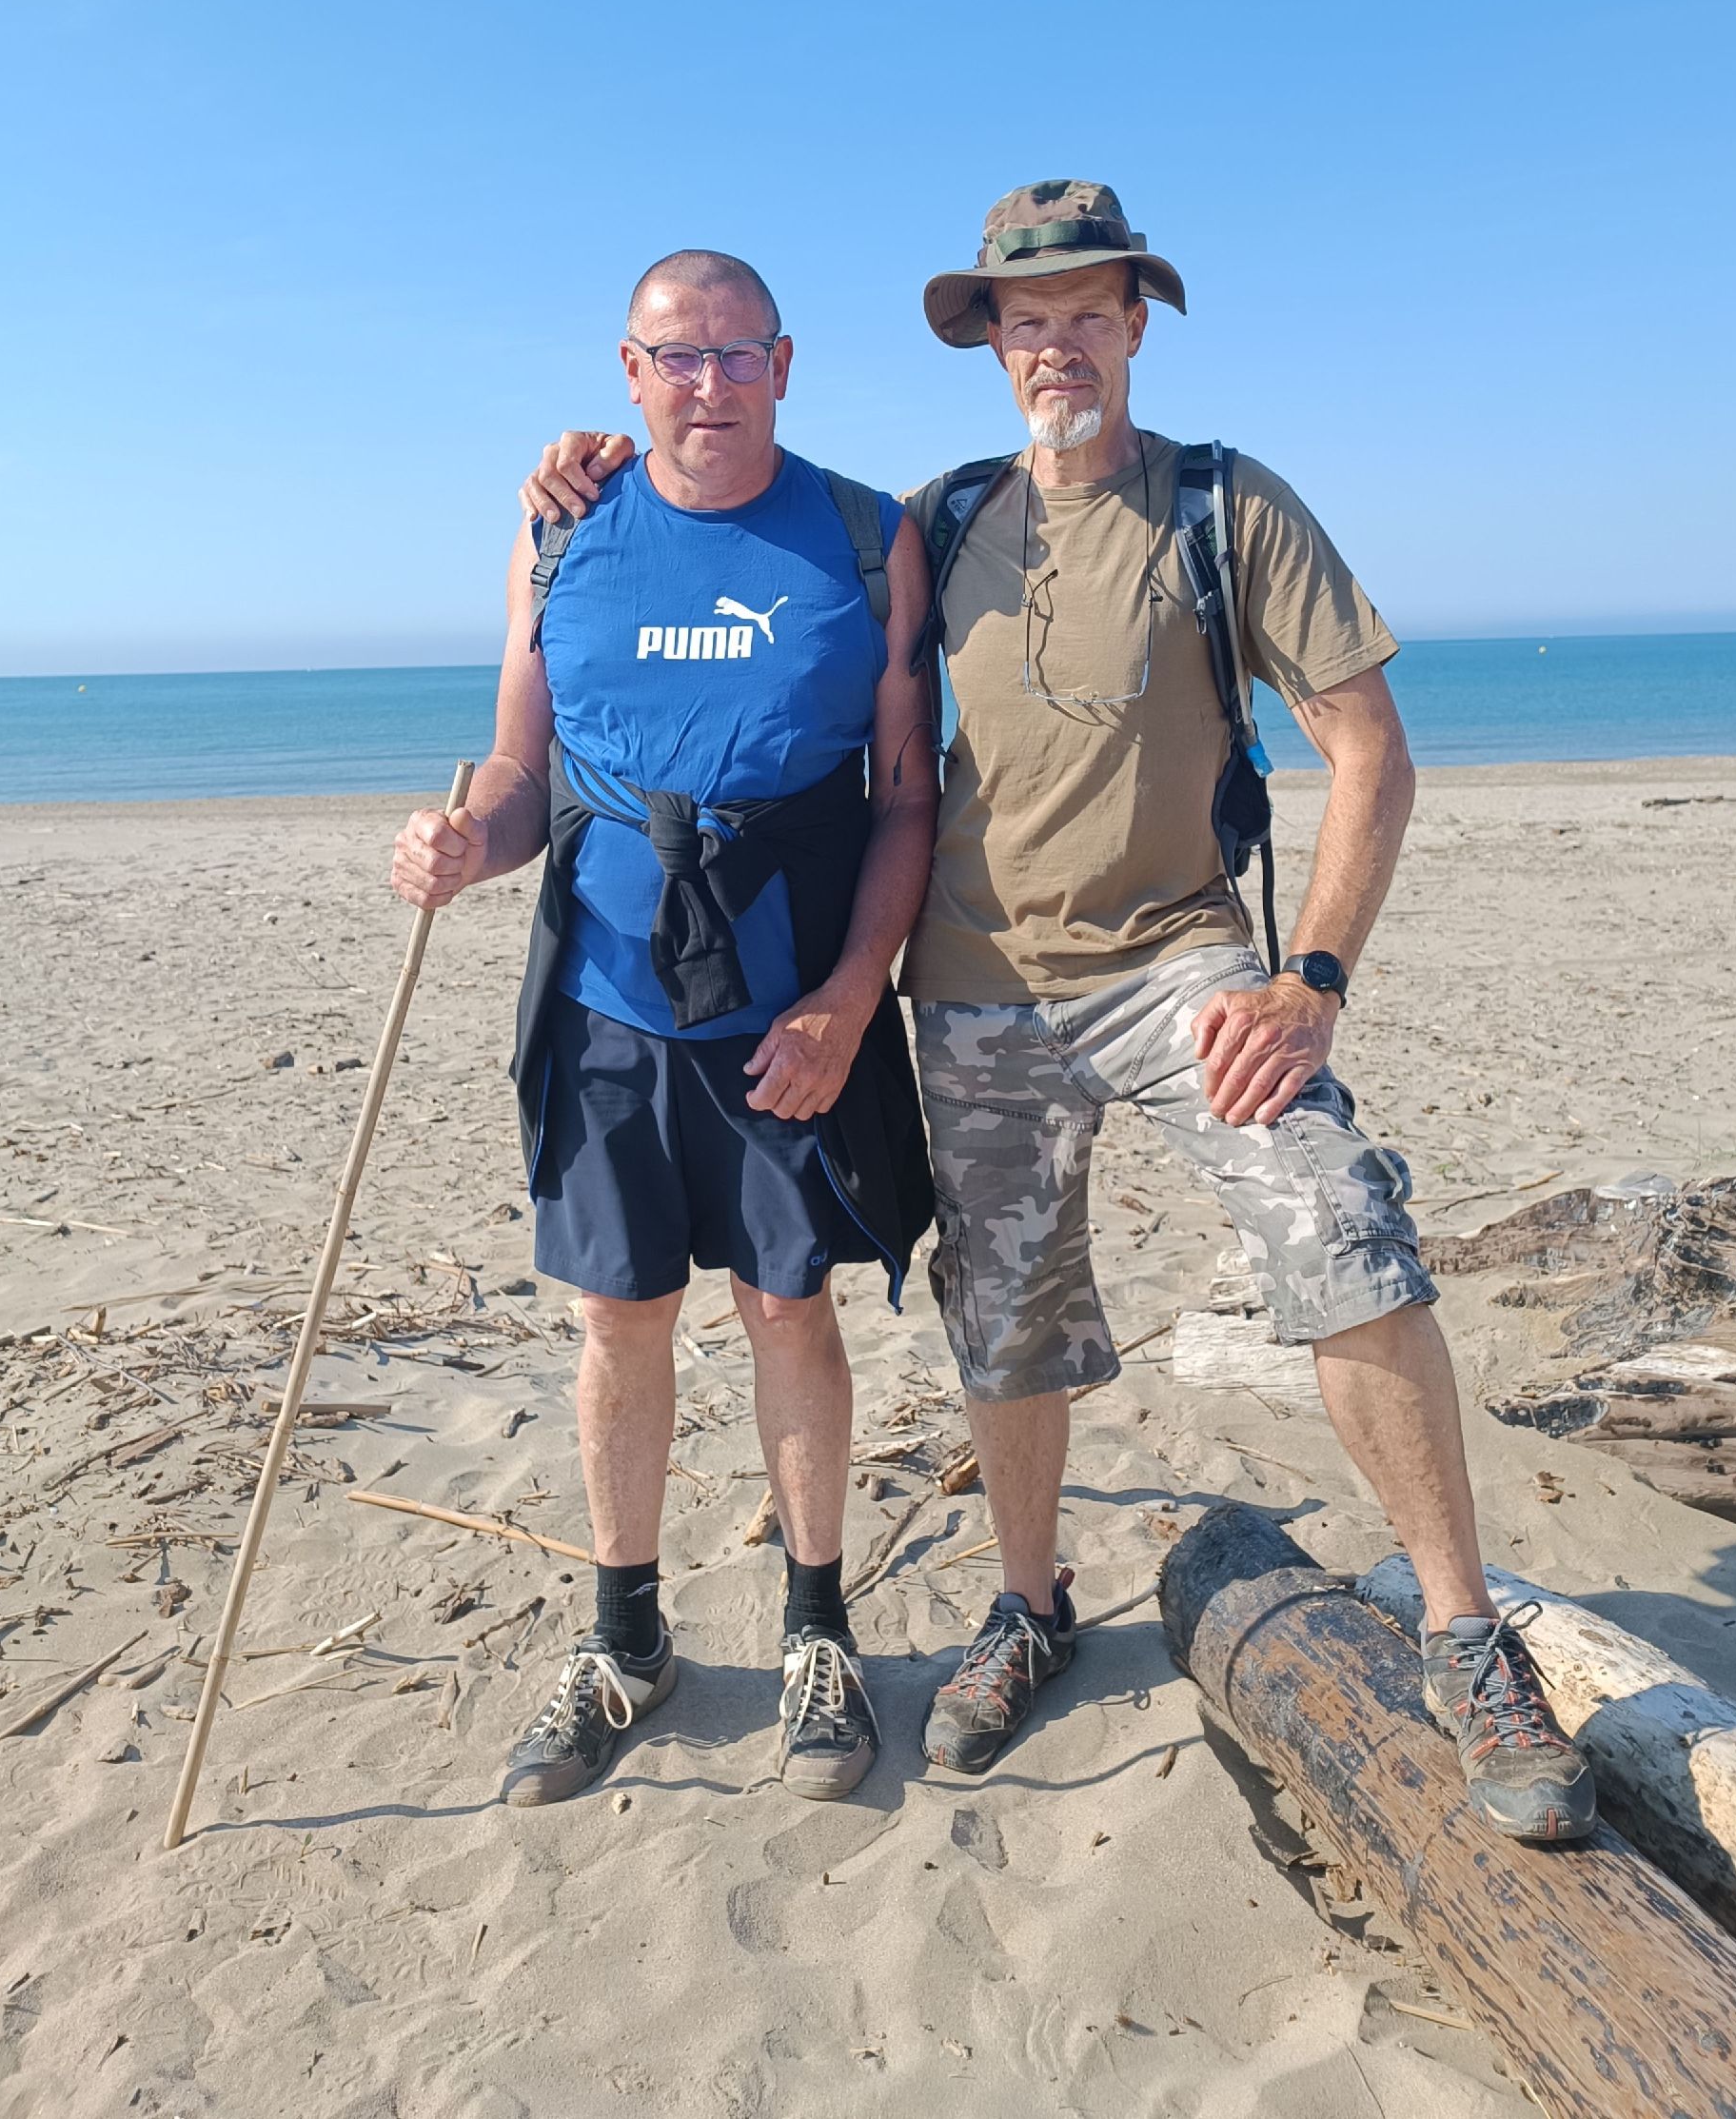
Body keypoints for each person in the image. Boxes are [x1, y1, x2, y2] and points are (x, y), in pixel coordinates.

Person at [517, 187, 1598, 1845]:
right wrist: (589, 467)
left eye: (1090, 313)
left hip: (1183, 965)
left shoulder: (1228, 506)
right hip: (973, 981)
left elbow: (1370, 750)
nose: (1059, 346)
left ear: (1136, 326)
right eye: (1030, 320)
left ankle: (1467, 1640)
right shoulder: (935, 523)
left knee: (1341, 1230)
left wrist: (1311, 979)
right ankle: (1030, 1609)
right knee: (1007, 1315)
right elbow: (789, 626)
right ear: (995, 344)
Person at [393, 248, 937, 1808]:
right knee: (617, 1320)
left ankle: (818, 1633)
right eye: (675, 358)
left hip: (787, 1010)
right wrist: (464, 847)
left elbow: (909, 795)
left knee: (787, 1308)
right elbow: (519, 775)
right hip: (604, 1005)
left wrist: (850, 999)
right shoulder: (561, 532)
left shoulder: (867, 537)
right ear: (628, 374)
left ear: (785, 364)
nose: (708, 384)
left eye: (736, 353)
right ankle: (626, 1640)